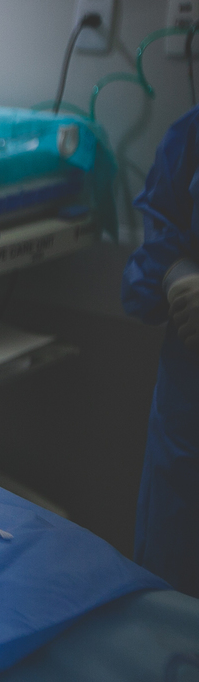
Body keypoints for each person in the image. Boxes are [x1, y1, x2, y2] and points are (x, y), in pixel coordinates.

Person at [123, 105, 199, 599]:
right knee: (169, 620)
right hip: (186, 419)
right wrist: (177, 272)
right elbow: (160, 242)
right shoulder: (191, 136)